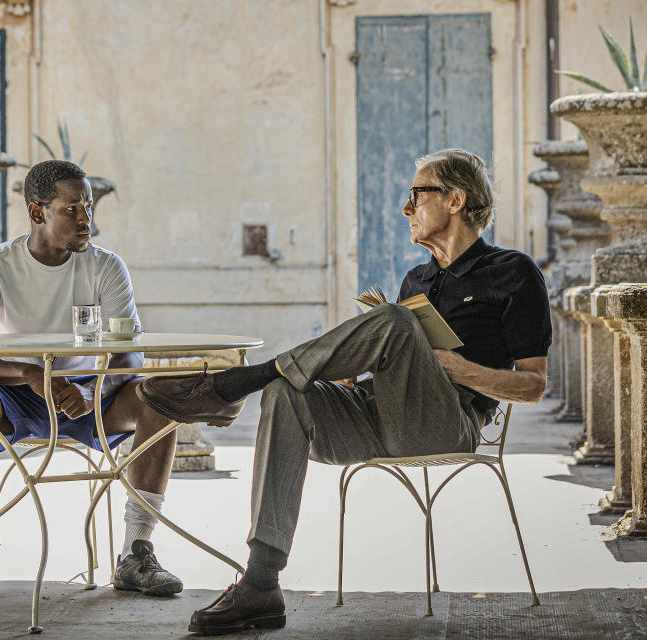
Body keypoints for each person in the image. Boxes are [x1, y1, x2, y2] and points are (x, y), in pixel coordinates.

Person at [137, 149, 551, 635]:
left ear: (456, 200)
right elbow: (398, 366)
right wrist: (357, 374)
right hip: (381, 417)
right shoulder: (417, 278)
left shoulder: (514, 272)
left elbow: (534, 385)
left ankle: (242, 380)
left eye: (416, 194)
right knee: (287, 396)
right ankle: (261, 583)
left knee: (393, 322)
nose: (406, 209)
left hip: (447, 424)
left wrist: (463, 371)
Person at [0, 159, 182, 599]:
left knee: (158, 399)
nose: (86, 219)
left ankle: (136, 553)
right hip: (16, 395)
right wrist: (31, 374)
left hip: (90, 395)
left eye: (88, 207)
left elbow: (129, 351)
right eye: (72, 209)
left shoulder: (107, 267)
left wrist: (93, 390)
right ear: (38, 213)